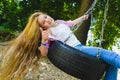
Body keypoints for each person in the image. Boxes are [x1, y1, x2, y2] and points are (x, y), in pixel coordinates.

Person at [36, 12, 119, 80]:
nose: (47, 20)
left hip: (80, 46)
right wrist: (43, 40)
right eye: (44, 22)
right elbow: (44, 53)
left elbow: (72, 23)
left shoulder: (59, 22)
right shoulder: (49, 32)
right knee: (110, 55)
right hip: (76, 49)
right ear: (43, 27)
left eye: (46, 17)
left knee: (111, 64)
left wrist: (83, 18)